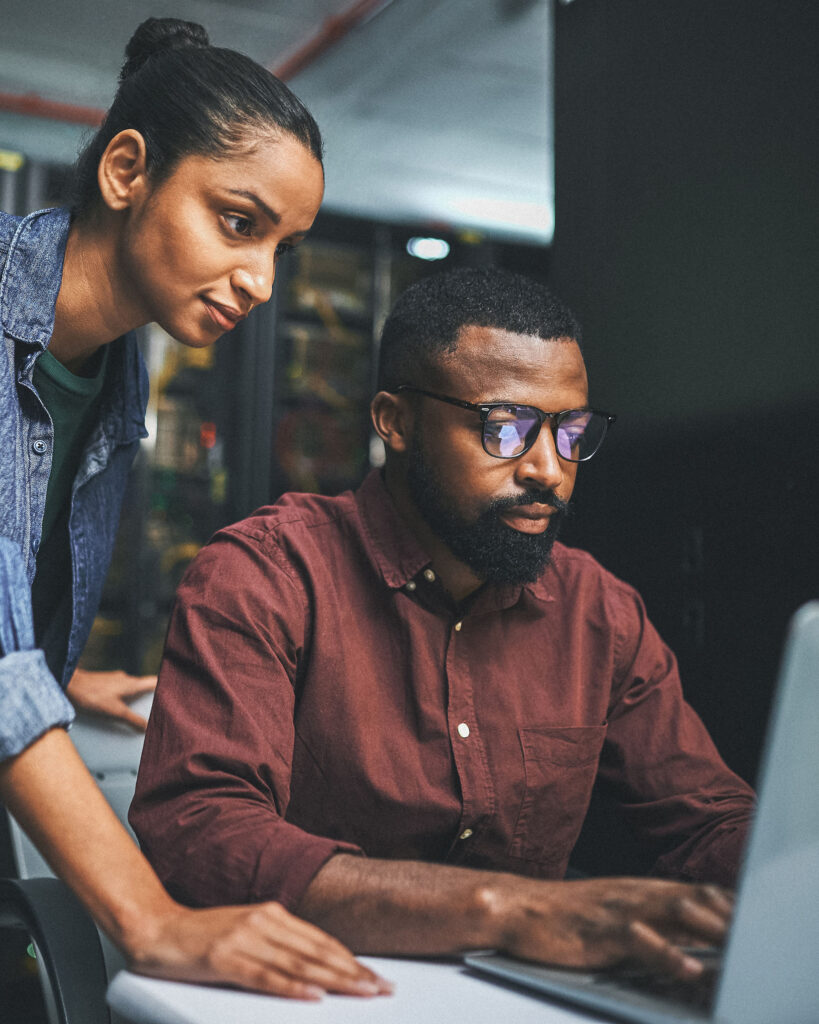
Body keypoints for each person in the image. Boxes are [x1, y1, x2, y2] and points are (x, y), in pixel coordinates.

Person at [131, 267, 756, 981]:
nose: (548, 470)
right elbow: (203, 836)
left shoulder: (599, 613)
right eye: (505, 428)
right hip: (307, 994)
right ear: (393, 421)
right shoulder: (268, 574)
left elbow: (709, 822)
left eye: (571, 431)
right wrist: (506, 908)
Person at [0, 16, 390, 1000]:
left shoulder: (118, 366)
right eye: (238, 221)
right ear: (127, 170)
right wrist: (155, 920)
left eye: (283, 246)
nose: (262, 279)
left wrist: (54, 668)